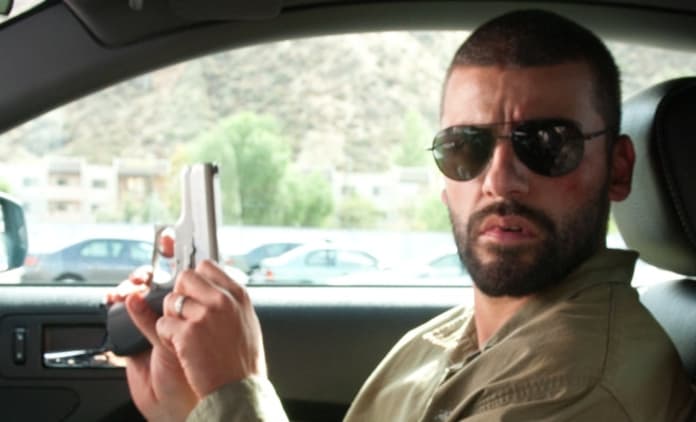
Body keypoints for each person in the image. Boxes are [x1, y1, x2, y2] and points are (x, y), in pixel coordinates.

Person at [108, 9, 696, 421]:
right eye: (465, 148)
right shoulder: (456, 337)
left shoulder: (578, 387)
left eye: (546, 143)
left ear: (618, 169)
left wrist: (235, 388)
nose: (499, 180)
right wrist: (193, 404)